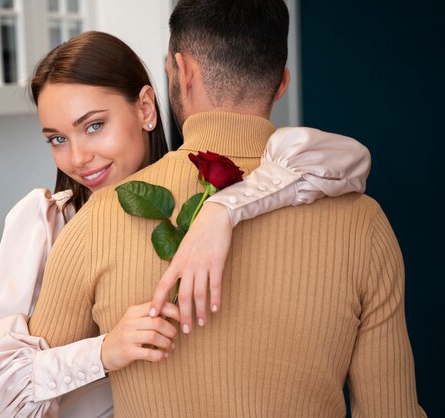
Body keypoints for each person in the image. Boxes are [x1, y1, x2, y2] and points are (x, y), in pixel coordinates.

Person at [0, 29, 371, 418]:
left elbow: (338, 159)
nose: (77, 157)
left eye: (93, 126)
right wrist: (103, 352)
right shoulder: (49, 225)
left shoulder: (203, 191)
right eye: (57, 139)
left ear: (146, 108)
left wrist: (225, 210)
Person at [28, 2, 426, 417]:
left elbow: (27, 395)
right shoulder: (365, 224)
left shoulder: (96, 221)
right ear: (281, 83)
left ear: (183, 72)